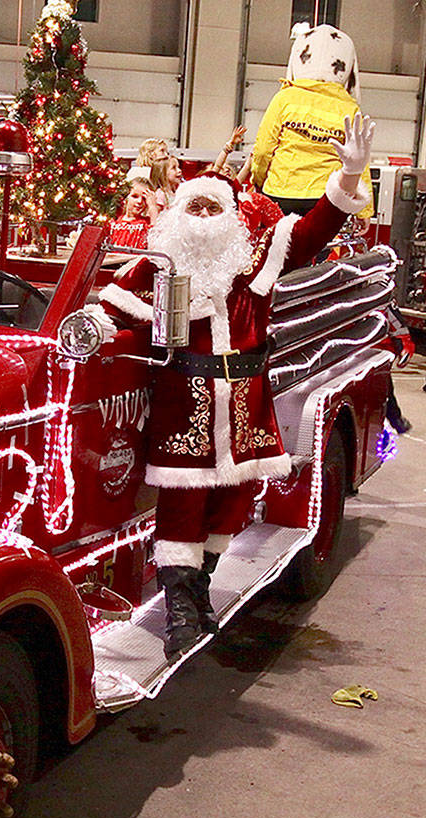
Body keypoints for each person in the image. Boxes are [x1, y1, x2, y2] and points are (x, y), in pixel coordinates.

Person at [94, 113, 376, 658]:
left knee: (232, 504)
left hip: (246, 410)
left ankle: (202, 592)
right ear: (179, 213)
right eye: (193, 206)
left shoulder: (255, 263)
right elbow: (112, 310)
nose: (202, 216)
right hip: (185, 409)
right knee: (182, 508)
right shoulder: (158, 265)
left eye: (212, 208)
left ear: (230, 218)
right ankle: (179, 609)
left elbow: (317, 227)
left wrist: (349, 176)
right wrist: (95, 332)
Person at [251, 24, 373, 222]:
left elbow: (264, 149)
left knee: (277, 250)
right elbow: (359, 162)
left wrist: (259, 180)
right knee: (321, 251)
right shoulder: (349, 108)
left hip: (280, 191)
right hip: (325, 198)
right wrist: (363, 210)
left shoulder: (285, 98)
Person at [110, 177, 159, 249]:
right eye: (135, 196)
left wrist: (152, 206)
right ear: (126, 197)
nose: (139, 202)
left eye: (144, 198)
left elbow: (156, 235)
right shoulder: (114, 223)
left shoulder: (146, 223)